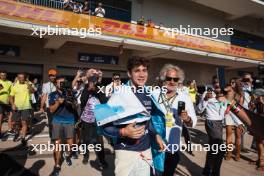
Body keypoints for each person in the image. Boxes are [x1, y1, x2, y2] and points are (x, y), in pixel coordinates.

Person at [94, 56, 165, 176]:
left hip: (146, 151)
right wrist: (123, 132)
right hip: (126, 153)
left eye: (144, 70)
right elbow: (102, 126)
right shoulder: (119, 94)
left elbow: (148, 121)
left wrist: (156, 134)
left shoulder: (148, 93)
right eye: (137, 70)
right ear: (129, 73)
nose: (142, 74)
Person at [152, 64, 197, 176]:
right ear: (164, 79)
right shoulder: (154, 95)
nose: (172, 81)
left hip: (173, 146)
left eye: (175, 79)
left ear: (179, 81)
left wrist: (187, 119)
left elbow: (193, 122)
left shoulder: (184, 98)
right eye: (169, 78)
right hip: (155, 144)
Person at [80, 69, 108, 168]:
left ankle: (102, 160)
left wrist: (96, 90)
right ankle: (85, 156)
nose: (93, 82)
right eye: (91, 80)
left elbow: (104, 102)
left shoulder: (100, 88)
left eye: (94, 81)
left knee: (99, 141)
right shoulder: (86, 88)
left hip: (97, 120)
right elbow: (82, 101)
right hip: (86, 120)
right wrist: (88, 89)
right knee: (85, 140)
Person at [49, 76, 77, 176]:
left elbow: (75, 107)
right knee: (57, 143)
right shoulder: (53, 94)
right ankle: (57, 165)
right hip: (57, 121)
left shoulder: (71, 92)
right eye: (59, 83)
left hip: (69, 121)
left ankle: (67, 154)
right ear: (56, 84)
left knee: (70, 144)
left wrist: (70, 102)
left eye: (63, 82)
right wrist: (57, 103)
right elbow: (51, 110)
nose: (61, 84)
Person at [10, 72, 35, 144]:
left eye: (22, 77)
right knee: (15, 123)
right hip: (16, 107)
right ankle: (16, 132)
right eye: (19, 77)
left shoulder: (28, 84)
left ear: (25, 78)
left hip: (26, 107)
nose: (21, 79)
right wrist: (12, 104)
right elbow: (11, 96)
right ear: (17, 78)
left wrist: (28, 84)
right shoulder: (14, 85)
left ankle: (23, 138)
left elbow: (33, 91)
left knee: (24, 122)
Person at [224, 82, 245, 161]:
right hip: (229, 114)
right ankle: (229, 153)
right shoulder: (227, 93)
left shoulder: (240, 95)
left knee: (238, 135)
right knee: (228, 135)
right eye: (231, 83)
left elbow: (240, 107)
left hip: (238, 114)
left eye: (233, 83)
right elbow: (225, 104)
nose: (231, 84)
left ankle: (237, 153)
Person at [249, 88, 264, 171]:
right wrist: (252, 105)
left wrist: (262, 103)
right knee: (258, 142)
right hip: (258, 123)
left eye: (253, 95)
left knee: (262, 143)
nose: (252, 96)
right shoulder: (256, 102)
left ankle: (262, 162)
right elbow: (251, 111)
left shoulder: (261, 101)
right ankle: (260, 159)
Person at [40, 69, 57, 138]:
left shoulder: (58, 84)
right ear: (49, 76)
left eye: (53, 76)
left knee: (57, 123)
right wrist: (41, 107)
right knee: (51, 123)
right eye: (51, 76)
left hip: (58, 107)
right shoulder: (46, 85)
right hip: (49, 107)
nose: (52, 77)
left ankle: (58, 136)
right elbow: (44, 96)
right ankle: (52, 137)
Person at [0, 70, 13, 138]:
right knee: (1, 117)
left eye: (4, 75)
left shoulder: (9, 82)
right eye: (1, 75)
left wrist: (10, 99)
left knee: (10, 115)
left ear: (6, 75)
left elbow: (11, 92)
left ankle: (10, 130)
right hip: (0, 102)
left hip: (7, 102)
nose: (3, 76)